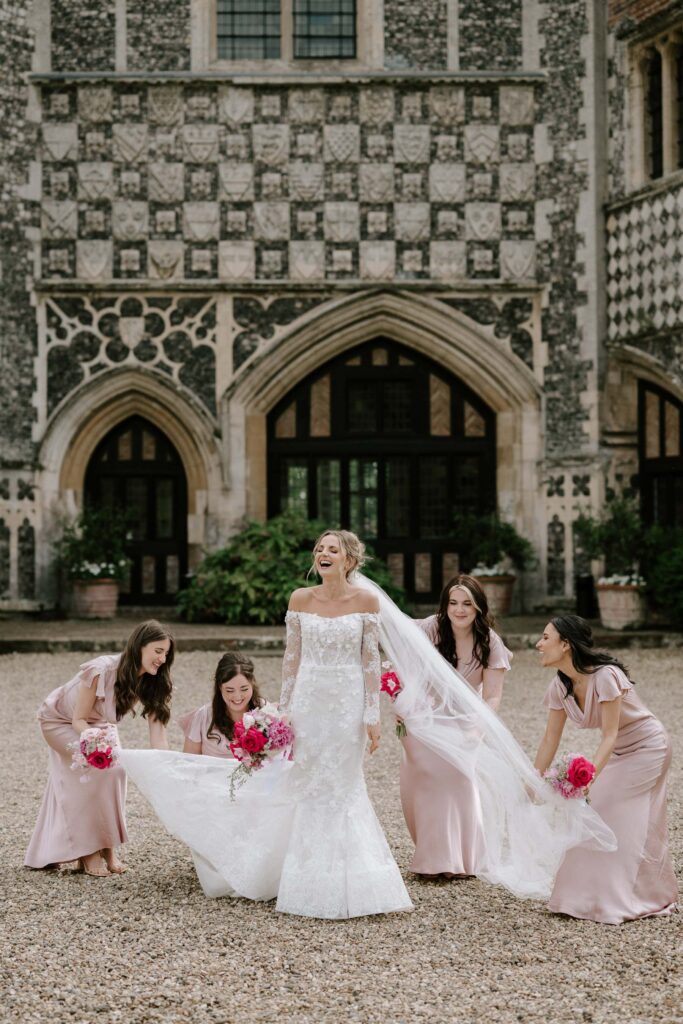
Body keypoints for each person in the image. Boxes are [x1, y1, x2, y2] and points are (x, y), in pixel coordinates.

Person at [119, 530, 413, 919]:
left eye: (332, 550)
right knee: (306, 784)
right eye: (319, 548)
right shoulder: (300, 599)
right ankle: (305, 880)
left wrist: (371, 713)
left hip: (346, 705)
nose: (322, 554)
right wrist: (284, 712)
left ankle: (356, 881)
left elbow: (370, 659)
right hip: (309, 701)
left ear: (349, 560)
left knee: (343, 785)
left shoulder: (366, 600)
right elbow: (292, 658)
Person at [534, 615, 678, 924]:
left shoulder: (606, 676)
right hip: (619, 751)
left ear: (566, 645)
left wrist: (585, 779)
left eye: (545, 638)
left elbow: (609, 734)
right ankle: (580, 897)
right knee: (596, 813)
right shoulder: (559, 686)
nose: (538, 644)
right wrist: (533, 778)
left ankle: (623, 898)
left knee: (606, 809)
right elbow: (549, 738)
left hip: (648, 747)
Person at [25, 621, 174, 877]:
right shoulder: (100, 670)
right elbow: (78, 719)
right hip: (62, 721)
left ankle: (108, 849)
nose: (162, 658)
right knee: (96, 771)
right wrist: (96, 741)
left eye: (166, 653)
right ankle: (88, 853)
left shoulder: (153, 680)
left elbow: (158, 733)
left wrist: (166, 767)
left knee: (116, 773)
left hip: (100, 724)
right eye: (158, 650)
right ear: (140, 646)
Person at [401, 575, 512, 877]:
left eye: (466, 603)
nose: (459, 610)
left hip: (465, 722)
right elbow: (396, 649)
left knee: (458, 783)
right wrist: (402, 705)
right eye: (453, 603)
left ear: (478, 607)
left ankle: (460, 859)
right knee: (426, 781)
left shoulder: (490, 641)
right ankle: (432, 858)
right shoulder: (429, 629)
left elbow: (492, 695)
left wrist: (477, 729)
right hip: (423, 720)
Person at [180, 652, 263, 758]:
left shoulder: (265, 712)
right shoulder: (203, 716)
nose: (237, 696)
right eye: (230, 690)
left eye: (244, 689)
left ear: (252, 684)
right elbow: (189, 761)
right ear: (220, 688)